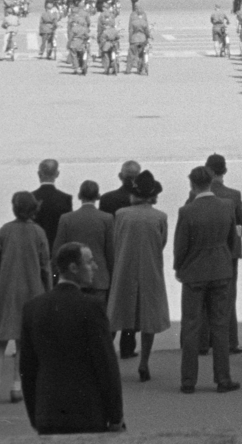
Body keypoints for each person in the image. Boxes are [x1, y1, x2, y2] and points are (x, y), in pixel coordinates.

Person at [18, 243, 126, 434]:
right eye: (90, 262)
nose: (95, 267)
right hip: (87, 411)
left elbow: (27, 368)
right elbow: (106, 365)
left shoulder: (32, 308)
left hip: (47, 411)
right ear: (74, 268)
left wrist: (34, 415)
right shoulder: (91, 307)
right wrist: (116, 415)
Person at [173, 165, 242, 394]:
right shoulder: (227, 206)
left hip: (194, 272)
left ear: (192, 184)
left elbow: (180, 246)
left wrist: (179, 267)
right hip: (221, 270)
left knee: (191, 326)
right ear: (211, 181)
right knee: (220, 326)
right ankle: (223, 378)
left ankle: (188, 380)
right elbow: (233, 239)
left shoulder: (187, 211)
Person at [0, 191, 51, 405]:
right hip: (31, 290)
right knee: (24, 343)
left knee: (0, 341)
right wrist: (49, 292)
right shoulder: (38, 232)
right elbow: (45, 267)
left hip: (5, 290)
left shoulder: (5, 231)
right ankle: (17, 388)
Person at [105, 170, 171, 384]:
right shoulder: (160, 217)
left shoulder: (121, 214)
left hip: (125, 268)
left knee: (116, 314)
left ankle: (107, 361)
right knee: (149, 318)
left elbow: (115, 241)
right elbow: (162, 243)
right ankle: (144, 362)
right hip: (150, 268)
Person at [191, 153, 242, 357]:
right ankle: (230, 341)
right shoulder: (234, 195)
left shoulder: (195, 193)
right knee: (227, 296)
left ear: (209, 170)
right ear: (224, 170)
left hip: (202, 251)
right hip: (229, 252)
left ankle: (203, 342)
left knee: (203, 296)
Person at [97, 160, 141, 360]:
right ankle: (127, 346)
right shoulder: (141, 201)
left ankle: (107, 343)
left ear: (120, 176)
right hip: (134, 254)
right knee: (131, 301)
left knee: (112, 301)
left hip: (113, 254)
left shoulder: (107, 199)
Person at [54, 181, 114, 299]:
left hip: (73, 278)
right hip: (100, 279)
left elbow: (58, 250)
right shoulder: (107, 218)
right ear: (98, 196)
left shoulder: (66, 219)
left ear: (79, 196)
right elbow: (111, 252)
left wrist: (56, 276)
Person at [31, 160, 73, 250]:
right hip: (58, 249)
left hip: (34, 248)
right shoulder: (65, 199)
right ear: (57, 174)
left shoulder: (31, 197)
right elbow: (67, 228)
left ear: (39, 174)